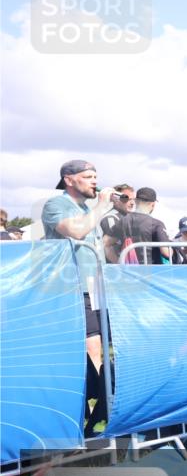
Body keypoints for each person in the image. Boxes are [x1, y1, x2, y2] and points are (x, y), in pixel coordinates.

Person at [42, 160, 116, 432]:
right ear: (69, 180)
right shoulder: (56, 205)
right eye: (88, 176)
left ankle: (99, 412)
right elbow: (76, 231)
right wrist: (100, 208)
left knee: (100, 346)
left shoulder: (87, 209)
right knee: (88, 349)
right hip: (71, 289)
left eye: (96, 176)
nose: (95, 181)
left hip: (96, 288)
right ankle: (84, 415)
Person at [105, 187, 171, 264]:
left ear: (136, 201)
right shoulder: (157, 224)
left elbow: (105, 243)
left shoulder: (123, 221)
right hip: (152, 271)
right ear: (153, 205)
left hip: (130, 272)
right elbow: (166, 253)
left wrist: (119, 264)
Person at [99, 183, 134, 259]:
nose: (132, 203)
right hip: (115, 268)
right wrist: (119, 266)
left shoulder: (129, 218)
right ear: (115, 199)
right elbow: (108, 247)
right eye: (127, 199)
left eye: (133, 199)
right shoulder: (110, 218)